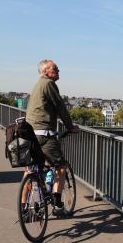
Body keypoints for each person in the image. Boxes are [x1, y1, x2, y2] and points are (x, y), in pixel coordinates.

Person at [25, 59, 79, 214]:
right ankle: (57, 205)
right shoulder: (49, 84)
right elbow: (60, 107)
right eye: (54, 68)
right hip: (44, 134)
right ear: (44, 71)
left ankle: (24, 209)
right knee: (60, 167)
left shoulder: (37, 85)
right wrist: (70, 127)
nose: (58, 70)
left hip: (30, 133)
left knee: (30, 170)